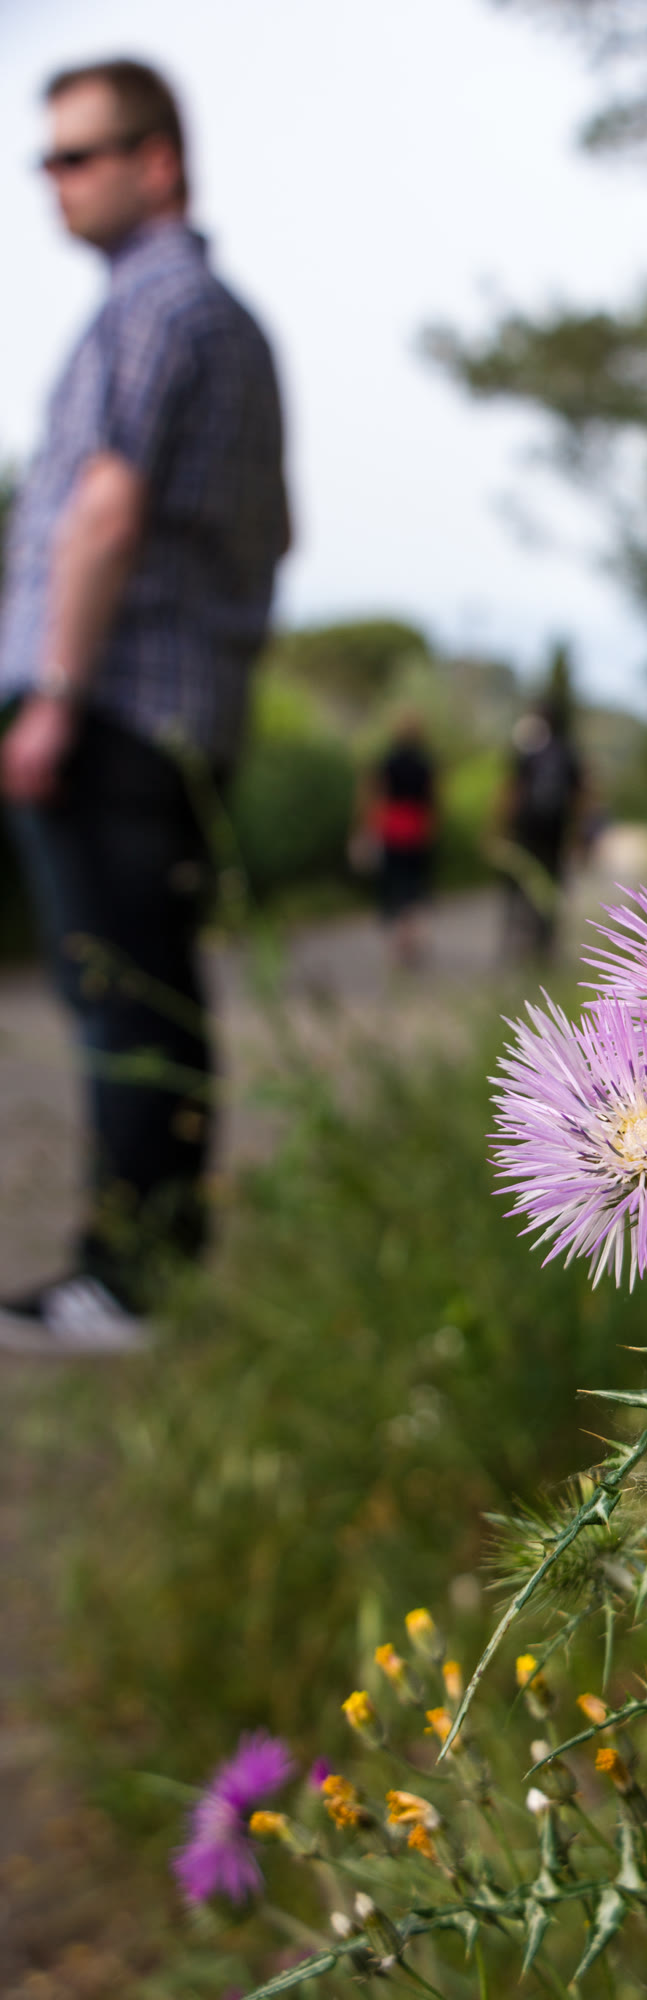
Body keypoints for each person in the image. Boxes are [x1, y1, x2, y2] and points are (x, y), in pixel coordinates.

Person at [0, 59, 289, 1353]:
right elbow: (278, 530)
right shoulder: (234, 327)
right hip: (185, 711)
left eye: (75, 155)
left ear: (155, 162)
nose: (51, 183)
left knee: (119, 996)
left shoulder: (155, 306)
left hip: (111, 708)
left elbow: (104, 511)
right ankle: (148, 1269)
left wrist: (54, 694)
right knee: (154, 988)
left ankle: (124, 1282)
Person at [499, 648, 584, 963]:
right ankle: (545, 943)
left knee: (523, 881)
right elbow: (580, 795)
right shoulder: (568, 752)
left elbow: (513, 790)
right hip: (555, 830)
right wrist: (577, 834)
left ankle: (517, 939)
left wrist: (501, 826)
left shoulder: (528, 751)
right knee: (552, 883)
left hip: (527, 828)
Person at [358, 710, 439, 971]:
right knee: (413, 883)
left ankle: (397, 940)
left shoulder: (388, 762)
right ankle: (409, 935)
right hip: (417, 828)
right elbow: (433, 799)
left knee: (392, 883)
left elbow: (375, 795)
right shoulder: (425, 763)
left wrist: (367, 828)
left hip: (392, 827)